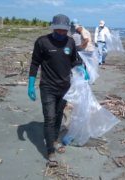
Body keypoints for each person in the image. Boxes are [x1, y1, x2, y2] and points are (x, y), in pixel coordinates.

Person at [28, 14, 88, 167]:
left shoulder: (70, 42)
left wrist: (82, 69)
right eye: (58, 30)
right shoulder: (42, 42)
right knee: (49, 118)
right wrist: (31, 84)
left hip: (64, 87)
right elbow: (35, 63)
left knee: (59, 114)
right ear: (53, 27)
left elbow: (73, 60)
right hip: (47, 86)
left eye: (64, 31)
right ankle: (50, 152)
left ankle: (54, 140)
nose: (61, 33)